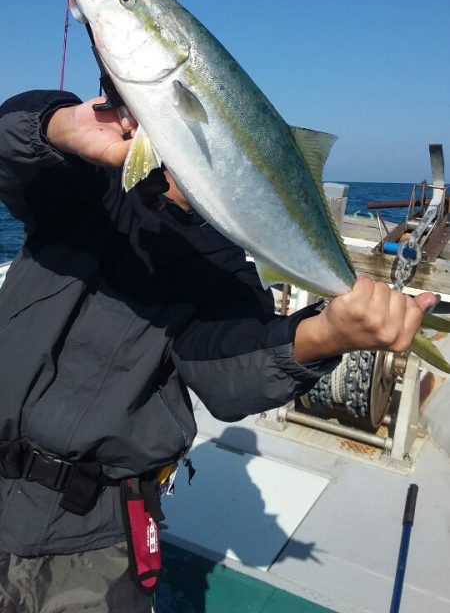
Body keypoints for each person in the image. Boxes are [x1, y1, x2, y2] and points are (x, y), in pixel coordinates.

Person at [0, 89, 435, 613]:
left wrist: (328, 335)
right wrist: (61, 125)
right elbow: (12, 151)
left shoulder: (225, 269)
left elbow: (229, 375)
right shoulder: (82, 191)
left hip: (90, 541)